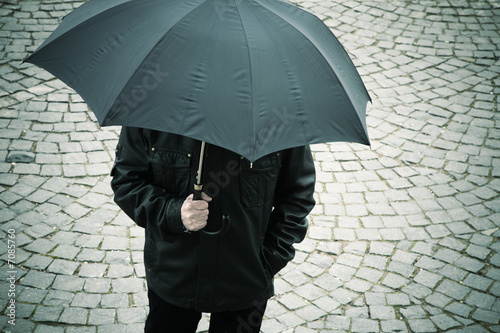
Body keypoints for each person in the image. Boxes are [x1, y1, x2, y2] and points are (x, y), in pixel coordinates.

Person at [110, 127, 316, 332]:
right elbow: (127, 181)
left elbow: (297, 197)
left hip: (246, 279)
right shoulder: (151, 109)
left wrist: (270, 259)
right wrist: (174, 212)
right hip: (173, 275)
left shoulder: (281, 121)